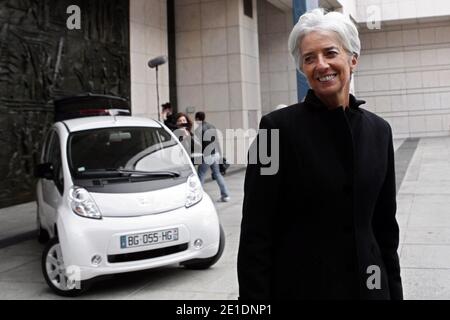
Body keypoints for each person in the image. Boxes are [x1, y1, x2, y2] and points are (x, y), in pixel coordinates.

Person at [237, 8, 403, 300]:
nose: (321, 65)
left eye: (330, 53)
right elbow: (255, 233)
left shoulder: (380, 131)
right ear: (302, 68)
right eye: (309, 58)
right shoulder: (273, 129)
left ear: (353, 59)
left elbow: (385, 229)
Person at [194, 111, 230, 202]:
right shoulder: (212, 126)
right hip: (215, 153)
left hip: (207, 155)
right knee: (217, 174)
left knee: (201, 174)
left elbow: (198, 144)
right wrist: (220, 154)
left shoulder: (199, 129)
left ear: (198, 118)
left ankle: (199, 196)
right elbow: (216, 141)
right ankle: (225, 195)